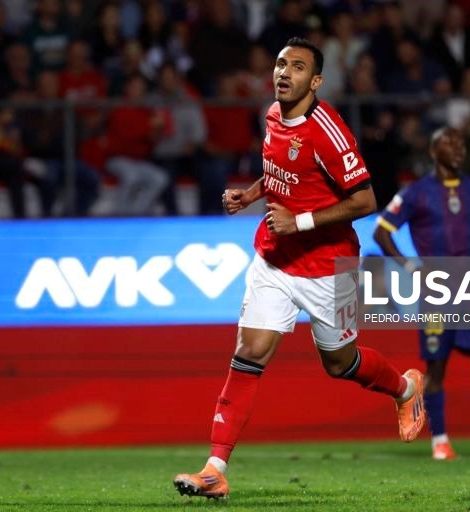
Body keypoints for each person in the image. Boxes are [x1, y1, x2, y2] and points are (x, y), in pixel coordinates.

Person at [173, 37, 426, 499]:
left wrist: (301, 220)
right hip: (274, 258)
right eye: (280, 64)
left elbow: (366, 199)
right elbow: (278, 173)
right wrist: (251, 196)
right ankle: (215, 468)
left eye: (297, 67)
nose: (284, 73)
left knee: (341, 363)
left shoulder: (328, 130)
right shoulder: (272, 115)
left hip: (329, 268)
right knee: (250, 351)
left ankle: (405, 388)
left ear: (316, 81)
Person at [373, 127, 470, 461]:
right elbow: (382, 231)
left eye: (461, 144)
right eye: (449, 144)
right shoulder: (416, 193)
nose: (458, 149)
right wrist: (412, 268)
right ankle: (440, 442)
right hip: (437, 290)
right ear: (432, 151)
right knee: (437, 366)